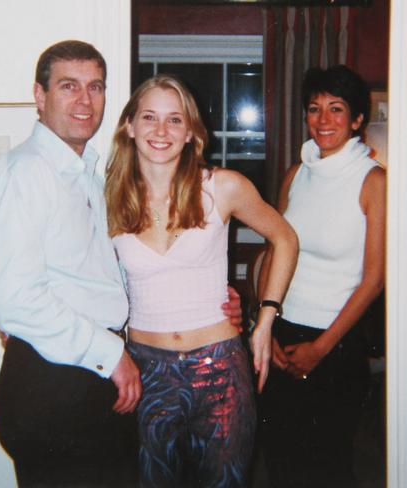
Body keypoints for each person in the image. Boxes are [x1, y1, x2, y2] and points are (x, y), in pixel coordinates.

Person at [0, 40, 242, 487]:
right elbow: (16, 298)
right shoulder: (25, 172)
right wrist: (111, 353)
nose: (85, 100)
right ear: (40, 97)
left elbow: (103, 273)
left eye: (95, 87)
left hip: (89, 377)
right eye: (69, 86)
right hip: (55, 382)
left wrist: (219, 297)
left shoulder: (90, 176)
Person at [104, 74, 298, 488]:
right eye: (149, 117)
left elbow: (285, 238)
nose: (160, 131)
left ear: (191, 132)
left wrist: (265, 319)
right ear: (129, 126)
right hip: (145, 371)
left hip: (221, 371)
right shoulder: (108, 199)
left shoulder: (222, 187)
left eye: (174, 120)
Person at [257, 65, 386, 488]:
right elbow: (275, 251)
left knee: (327, 466)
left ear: (357, 120)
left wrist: (321, 348)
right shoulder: (297, 175)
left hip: (337, 342)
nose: (323, 120)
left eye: (336, 109)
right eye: (314, 109)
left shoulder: (373, 181)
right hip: (283, 331)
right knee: (280, 458)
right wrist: (267, 326)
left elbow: (374, 279)